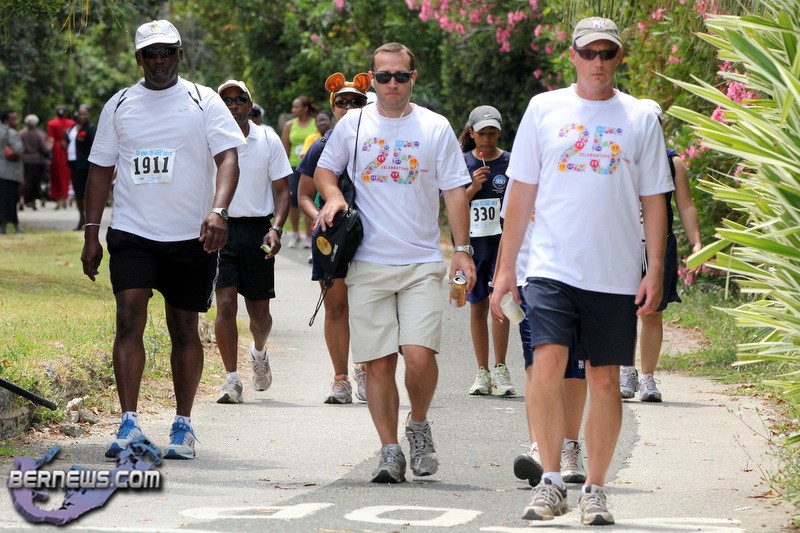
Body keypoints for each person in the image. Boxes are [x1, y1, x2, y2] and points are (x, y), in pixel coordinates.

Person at [489, 17, 672, 525]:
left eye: (607, 53)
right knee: (547, 363)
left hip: (614, 272)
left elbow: (655, 199)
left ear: (618, 58)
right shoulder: (544, 108)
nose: (597, 62)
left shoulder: (639, 118)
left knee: (605, 379)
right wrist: (506, 269)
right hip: (551, 266)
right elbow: (520, 193)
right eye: (588, 52)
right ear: (572, 56)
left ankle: (594, 487)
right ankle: (550, 480)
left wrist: (655, 267)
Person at [81, 19, 245, 460]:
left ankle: (183, 425)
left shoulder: (203, 99)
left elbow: (228, 157)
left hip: (191, 235)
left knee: (184, 328)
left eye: (167, 52)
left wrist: (219, 211)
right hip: (133, 231)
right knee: (128, 318)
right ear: (139, 58)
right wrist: (92, 232)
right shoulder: (119, 104)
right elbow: (101, 168)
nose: (159, 61)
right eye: (151, 53)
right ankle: (128, 422)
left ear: (179, 54)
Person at [315, 42, 476, 483]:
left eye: (400, 76)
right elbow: (324, 171)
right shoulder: (354, 124)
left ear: (413, 78)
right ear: (372, 79)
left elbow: (454, 191)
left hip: (422, 260)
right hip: (367, 262)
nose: (392, 84)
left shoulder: (434, 126)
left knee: (419, 355)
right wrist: (334, 196)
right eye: (383, 76)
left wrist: (462, 249)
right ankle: (389, 450)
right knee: (379, 362)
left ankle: (418, 424)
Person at [620, 98, 703, 403]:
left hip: (659, 245)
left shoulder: (672, 162)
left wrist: (697, 243)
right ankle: (626, 371)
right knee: (624, 311)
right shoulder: (620, 159)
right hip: (624, 243)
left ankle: (647, 377)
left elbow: (686, 205)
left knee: (653, 312)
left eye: (652, 125)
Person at [214, 79, 292, 404]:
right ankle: (231, 379)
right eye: (227, 101)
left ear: (249, 104)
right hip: (222, 229)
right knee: (225, 305)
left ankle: (259, 351)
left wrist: (276, 229)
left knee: (260, 315)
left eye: (239, 100)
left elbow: (283, 191)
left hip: (259, 230)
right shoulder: (210, 139)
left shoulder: (267, 139)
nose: (233, 106)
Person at [297, 71, 370, 405]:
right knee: (336, 307)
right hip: (331, 239)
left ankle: (366, 370)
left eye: (357, 102)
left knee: (368, 308)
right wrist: (320, 219)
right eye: (342, 102)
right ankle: (341, 379)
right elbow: (303, 194)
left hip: (371, 239)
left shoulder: (378, 143)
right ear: (333, 106)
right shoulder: (321, 146)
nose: (349, 107)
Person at [457, 105, 516, 397]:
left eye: (493, 133)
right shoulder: (462, 163)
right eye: (482, 133)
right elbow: (453, 204)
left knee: (501, 305)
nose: (487, 139)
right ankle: (482, 372)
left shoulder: (511, 162)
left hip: (501, 245)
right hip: (473, 247)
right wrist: (472, 188)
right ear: (471, 133)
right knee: (477, 306)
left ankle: (501, 368)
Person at [281, 95, 318, 248]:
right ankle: (295, 233)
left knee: (308, 199)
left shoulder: (315, 123)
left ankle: (309, 235)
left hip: (311, 167)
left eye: (296, 107)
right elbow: (285, 148)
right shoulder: (289, 125)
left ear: (305, 108)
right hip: (294, 166)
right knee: (293, 200)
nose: (293, 110)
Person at [65, 105, 96, 230]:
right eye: (79, 114)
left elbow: (93, 145)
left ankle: (89, 221)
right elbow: (68, 142)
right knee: (78, 194)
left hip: (85, 165)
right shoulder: (73, 128)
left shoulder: (91, 128)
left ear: (88, 115)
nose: (81, 116)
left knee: (86, 194)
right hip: (74, 164)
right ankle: (81, 218)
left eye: (84, 114)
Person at [46, 104, 74, 210]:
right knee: (66, 175)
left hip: (57, 150)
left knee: (56, 175)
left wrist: (48, 153)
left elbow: (50, 140)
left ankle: (58, 200)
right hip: (68, 150)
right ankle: (65, 198)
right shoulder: (71, 123)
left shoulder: (52, 123)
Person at [0, 110, 23, 235]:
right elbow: (18, 150)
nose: (17, 121)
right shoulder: (11, 133)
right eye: (14, 119)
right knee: (11, 200)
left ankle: (3, 227)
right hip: (10, 172)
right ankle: (13, 226)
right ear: (7, 120)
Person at [19, 115, 48, 211]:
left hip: (23, 160)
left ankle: (21, 200)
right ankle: (33, 202)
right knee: (34, 182)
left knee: (23, 181)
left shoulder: (21, 134)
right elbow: (44, 148)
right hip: (36, 161)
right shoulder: (39, 134)